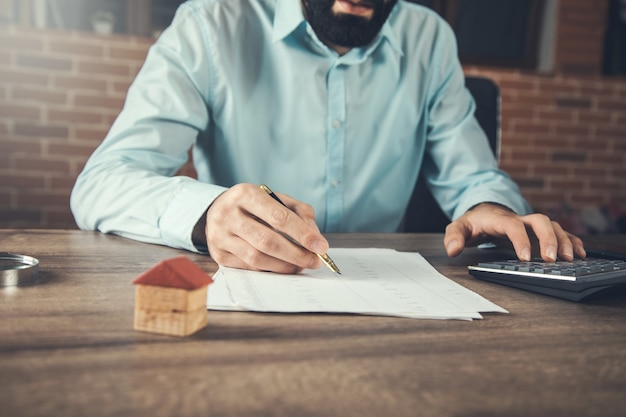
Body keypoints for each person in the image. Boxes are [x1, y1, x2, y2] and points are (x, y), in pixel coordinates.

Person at [70, 0, 586, 274]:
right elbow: (101, 184)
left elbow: (471, 173)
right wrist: (208, 215)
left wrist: (491, 204)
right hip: (250, 293)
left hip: (399, 312)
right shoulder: (208, 27)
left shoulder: (429, 38)